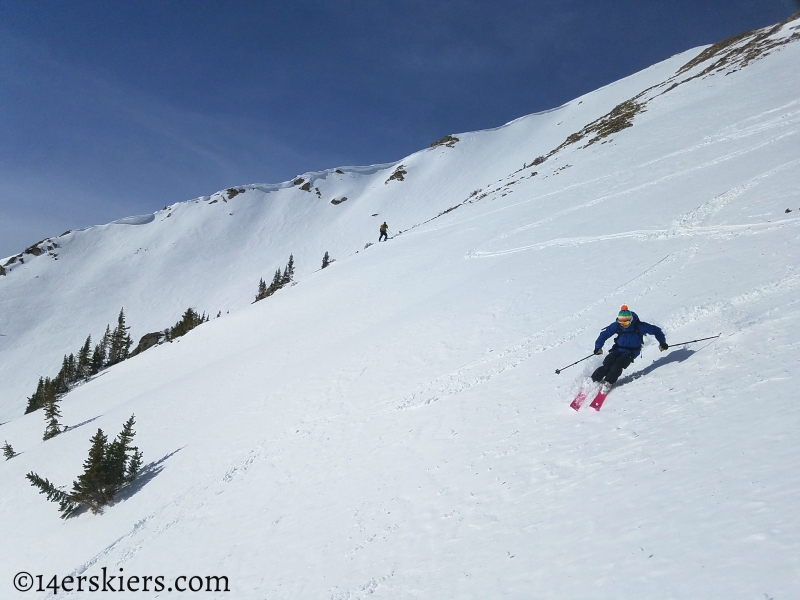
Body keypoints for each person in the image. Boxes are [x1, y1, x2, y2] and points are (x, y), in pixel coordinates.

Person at [591, 305, 668, 390]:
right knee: (607, 363)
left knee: (617, 365)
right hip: (617, 349)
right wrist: (598, 347)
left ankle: (608, 382)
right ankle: (593, 380)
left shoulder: (639, 326)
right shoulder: (617, 326)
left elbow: (656, 331)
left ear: (630, 320)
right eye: (621, 323)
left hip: (631, 352)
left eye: (626, 323)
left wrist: (662, 343)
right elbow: (604, 334)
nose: (623, 325)